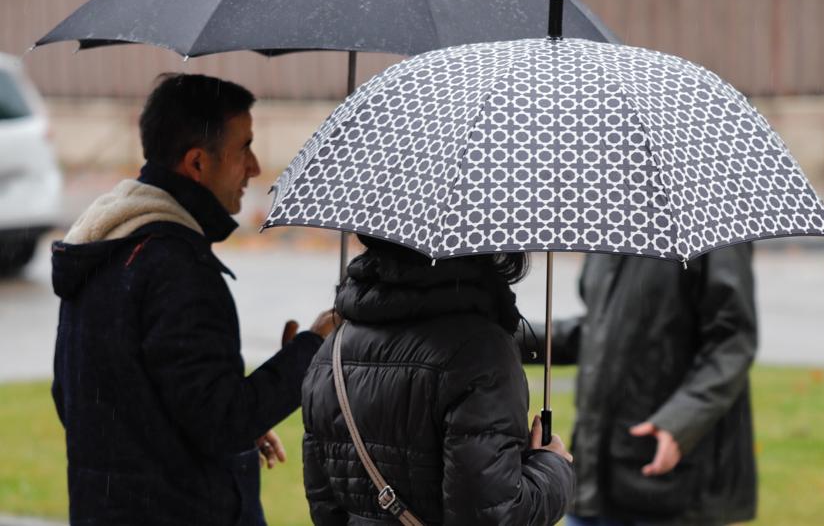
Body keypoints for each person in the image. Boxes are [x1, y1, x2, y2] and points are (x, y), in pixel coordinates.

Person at [51, 73, 337, 525]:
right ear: (198, 163)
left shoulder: (108, 243)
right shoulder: (176, 268)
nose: (256, 167)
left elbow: (83, 399)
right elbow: (222, 422)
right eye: (244, 147)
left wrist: (225, 416)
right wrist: (314, 348)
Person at [301, 235, 575, 525]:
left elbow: (325, 506)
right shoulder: (481, 353)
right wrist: (552, 467)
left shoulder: (331, 351)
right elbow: (491, 517)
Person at [526, 244, 758, 526]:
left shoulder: (712, 222)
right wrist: (510, 337)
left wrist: (680, 422)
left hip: (673, 484)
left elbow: (733, 341)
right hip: (595, 476)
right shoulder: (610, 220)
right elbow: (598, 331)